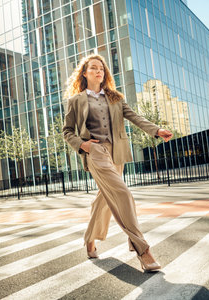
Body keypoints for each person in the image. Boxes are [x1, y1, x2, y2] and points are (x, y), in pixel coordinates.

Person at [62, 54, 173, 272]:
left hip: (117, 153)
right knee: (122, 193)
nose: (99, 71)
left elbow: (135, 117)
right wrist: (83, 145)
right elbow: (67, 131)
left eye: (101, 68)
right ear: (85, 73)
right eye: (93, 68)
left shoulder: (115, 97)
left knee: (104, 199)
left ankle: (89, 238)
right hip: (95, 152)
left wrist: (156, 130)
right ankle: (143, 250)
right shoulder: (76, 101)